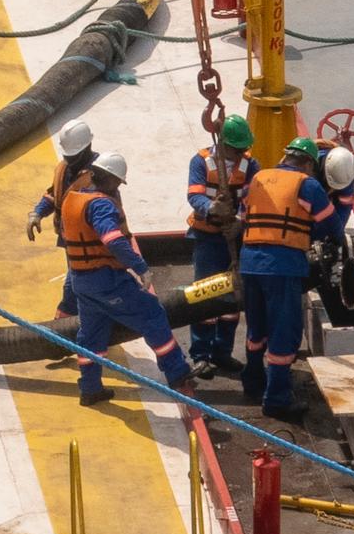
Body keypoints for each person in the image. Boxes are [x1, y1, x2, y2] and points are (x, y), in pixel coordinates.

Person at [55, 150, 197, 408]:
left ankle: (90, 389)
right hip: (107, 280)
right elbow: (113, 240)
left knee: (92, 336)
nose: (118, 186)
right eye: (118, 181)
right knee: (152, 314)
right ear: (108, 177)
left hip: (81, 282)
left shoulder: (72, 199)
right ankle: (178, 373)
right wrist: (140, 267)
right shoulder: (100, 204)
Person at [237, 136, 346, 418]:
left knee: (256, 327)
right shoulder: (307, 185)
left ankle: (253, 380)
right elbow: (332, 226)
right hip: (282, 267)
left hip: (249, 263)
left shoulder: (259, 177)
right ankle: (277, 399)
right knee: (284, 334)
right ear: (309, 163)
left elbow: (242, 215)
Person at [182, 118, 256, 380]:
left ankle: (221, 352)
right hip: (208, 239)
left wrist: (240, 223)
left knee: (231, 299)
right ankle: (200, 356)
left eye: (242, 149)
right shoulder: (201, 162)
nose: (240, 154)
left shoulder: (250, 165)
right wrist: (211, 208)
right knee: (204, 294)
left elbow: (253, 198)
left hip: (234, 238)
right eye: (236, 149)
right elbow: (194, 195)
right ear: (222, 144)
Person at [24, 117, 97, 326]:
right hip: (70, 241)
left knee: (76, 286)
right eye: (68, 155)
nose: (69, 159)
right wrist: (37, 213)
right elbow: (54, 195)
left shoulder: (99, 175)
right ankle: (70, 329)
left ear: (86, 148)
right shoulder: (64, 169)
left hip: (91, 243)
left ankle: (63, 329)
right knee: (77, 283)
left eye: (73, 156)